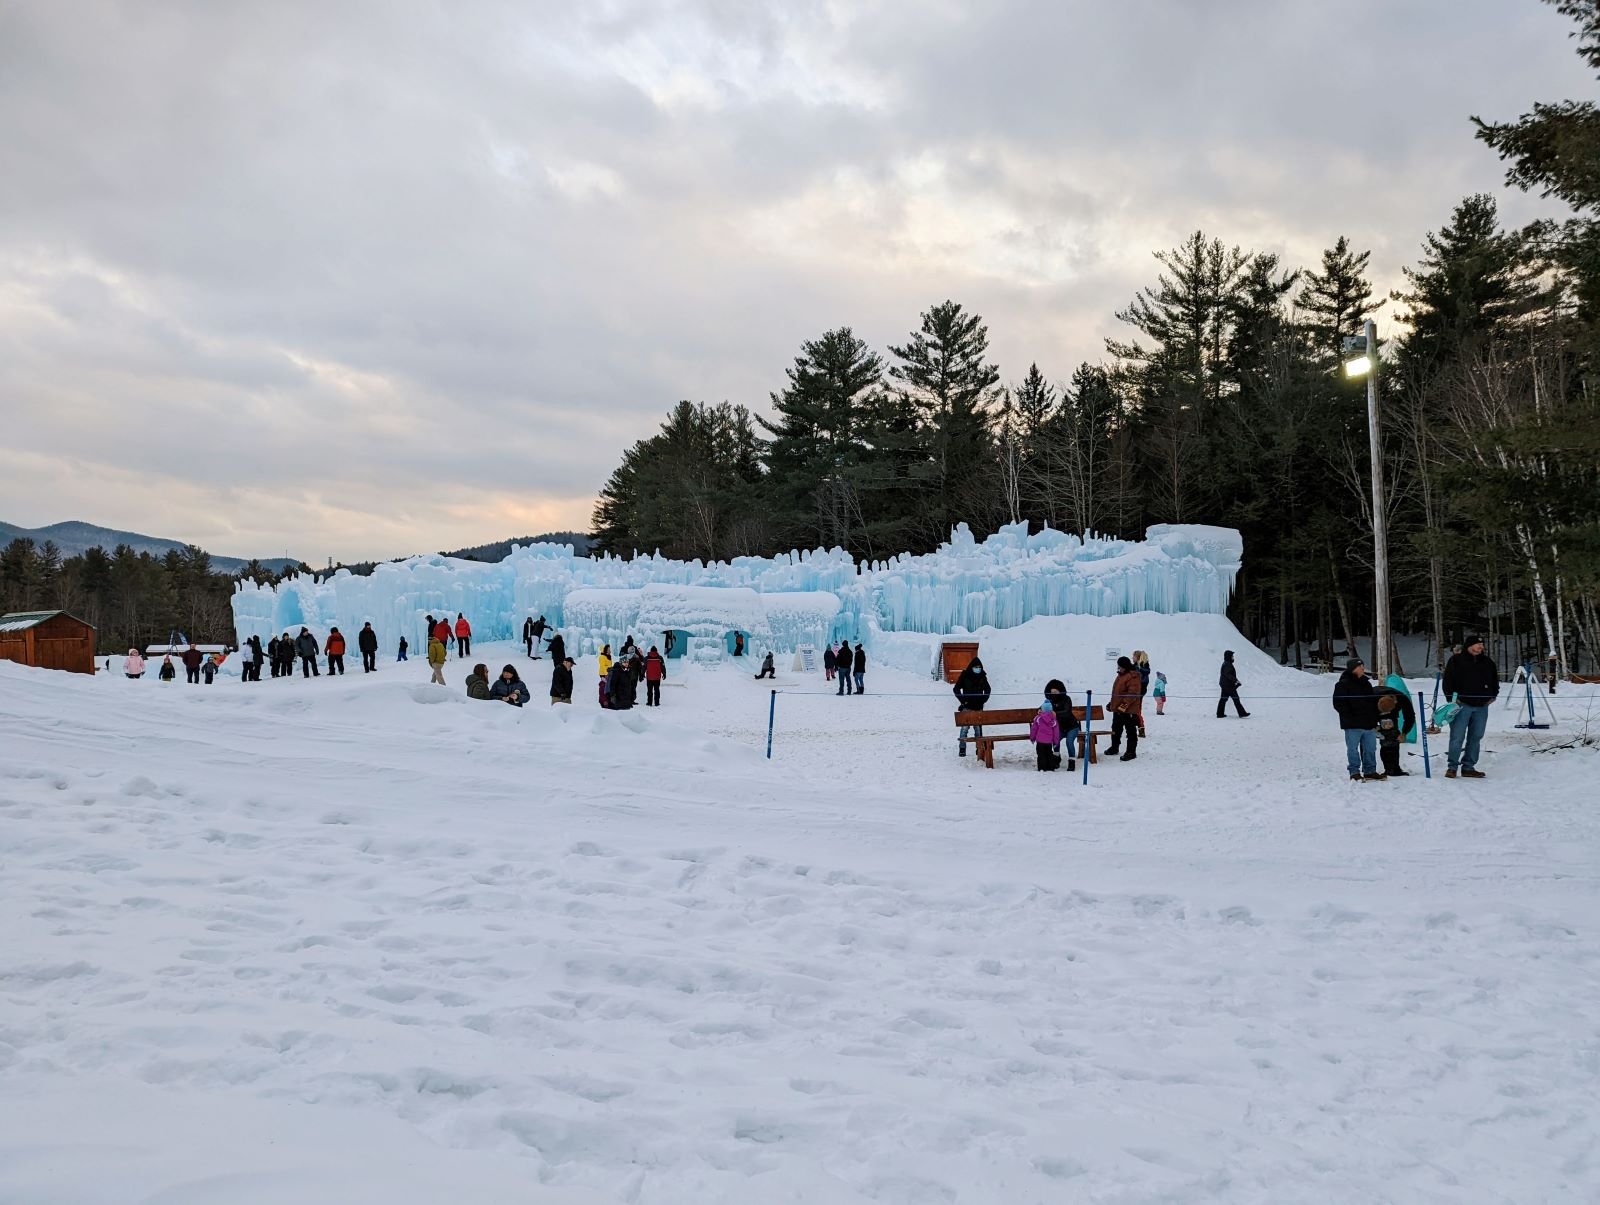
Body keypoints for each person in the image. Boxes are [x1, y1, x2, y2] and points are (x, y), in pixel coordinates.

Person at [1442, 634, 1499, 779]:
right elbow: (1447, 682)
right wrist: (1452, 699)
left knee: (1476, 736)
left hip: (1482, 706)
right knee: (1457, 737)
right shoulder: (1456, 660)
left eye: (1482, 644)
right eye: (1477, 644)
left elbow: (1494, 680)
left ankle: (1468, 767)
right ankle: (1452, 767)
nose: (1481, 647)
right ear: (1469, 645)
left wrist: (1493, 695)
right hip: (1461, 705)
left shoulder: (1487, 662)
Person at [1333, 658, 1382, 781]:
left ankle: (1370, 770)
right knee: (1353, 749)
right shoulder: (1342, 684)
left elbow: (1372, 703)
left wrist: (1374, 719)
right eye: (1360, 667)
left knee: (1371, 748)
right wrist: (1350, 716)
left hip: (1369, 723)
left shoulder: (1367, 684)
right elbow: (1338, 704)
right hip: (1352, 724)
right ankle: (1354, 771)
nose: (1363, 669)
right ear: (1353, 668)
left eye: (1363, 666)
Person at [953, 657, 992, 757]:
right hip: (967, 707)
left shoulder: (982, 676)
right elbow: (956, 689)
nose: (978, 668)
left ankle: (979, 749)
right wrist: (963, 701)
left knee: (978, 730)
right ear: (971, 667)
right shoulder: (965, 675)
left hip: (978, 707)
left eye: (979, 667)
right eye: (976, 667)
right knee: (964, 729)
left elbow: (988, 689)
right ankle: (962, 749)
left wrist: (983, 699)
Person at [1374, 687, 1416, 777]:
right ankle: (1388, 768)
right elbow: (1366, 714)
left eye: (1388, 711)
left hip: (1393, 716)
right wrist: (1374, 726)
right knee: (1385, 742)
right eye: (1385, 712)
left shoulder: (1402, 699)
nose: (1387, 713)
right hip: (1376, 713)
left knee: (1394, 738)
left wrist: (1404, 733)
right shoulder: (1371, 698)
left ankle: (1395, 769)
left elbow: (1410, 717)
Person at [1106, 656, 1142, 761]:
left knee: (1130, 731)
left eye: (1120, 666)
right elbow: (1118, 693)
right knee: (1116, 729)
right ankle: (1114, 747)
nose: (1119, 668)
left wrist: (1123, 706)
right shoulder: (1121, 676)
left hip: (1128, 710)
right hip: (1118, 709)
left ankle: (1131, 752)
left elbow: (1132, 694)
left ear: (1125, 666)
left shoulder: (1133, 676)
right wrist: (1112, 704)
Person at [1044, 678, 1080, 771]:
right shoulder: (1050, 701)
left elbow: (1067, 712)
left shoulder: (1067, 699)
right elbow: (1043, 707)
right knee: (1055, 740)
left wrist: (1055, 714)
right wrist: (1040, 710)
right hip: (1060, 728)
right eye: (1052, 692)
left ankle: (1072, 761)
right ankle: (1056, 757)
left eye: (1056, 692)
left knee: (1069, 742)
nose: (1054, 694)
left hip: (1072, 727)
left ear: (1060, 691)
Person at [1217, 650, 1250, 718]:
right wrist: (1236, 681)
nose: (1233, 657)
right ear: (1229, 657)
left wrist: (1235, 681)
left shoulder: (1227, 663)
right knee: (1235, 698)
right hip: (1228, 685)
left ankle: (1220, 714)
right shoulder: (1227, 664)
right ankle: (1242, 713)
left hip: (1225, 684)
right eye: (1232, 656)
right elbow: (1228, 674)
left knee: (1223, 699)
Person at [1031, 699, 1062, 771]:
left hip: (1040, 741)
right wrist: (1055, 742)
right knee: (1049, 754)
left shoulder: (1038, 718)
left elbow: (1034, 729)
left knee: (1040, 754)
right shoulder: (1054, 720)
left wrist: (1032, 738)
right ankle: (1050, 767)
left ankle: (1042, 767)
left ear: (1042, 709)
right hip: (1049, 742)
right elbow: (1056, 732)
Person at [1133, 650, 1151, 738]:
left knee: (1137, 709)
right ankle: (1135, 728)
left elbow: (1147, 672)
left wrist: (1139, 669)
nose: (1132, 658)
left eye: (1134, 656)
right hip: (1135, 690)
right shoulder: (1135, 666)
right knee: (1133, 710)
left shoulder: (1143, 665)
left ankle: (1141, 727)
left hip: (1139, 690)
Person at [597, 644, 613, 708]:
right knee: (603, 687)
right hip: (605, 675)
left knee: (608, 687)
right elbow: (602, 666)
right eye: (608, 649)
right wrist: (606, 674)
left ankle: (608, 701)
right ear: (605, 650)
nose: (610, 651)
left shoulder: (608, 656)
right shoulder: (602, 657)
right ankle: (604, 701)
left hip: (609, 674)